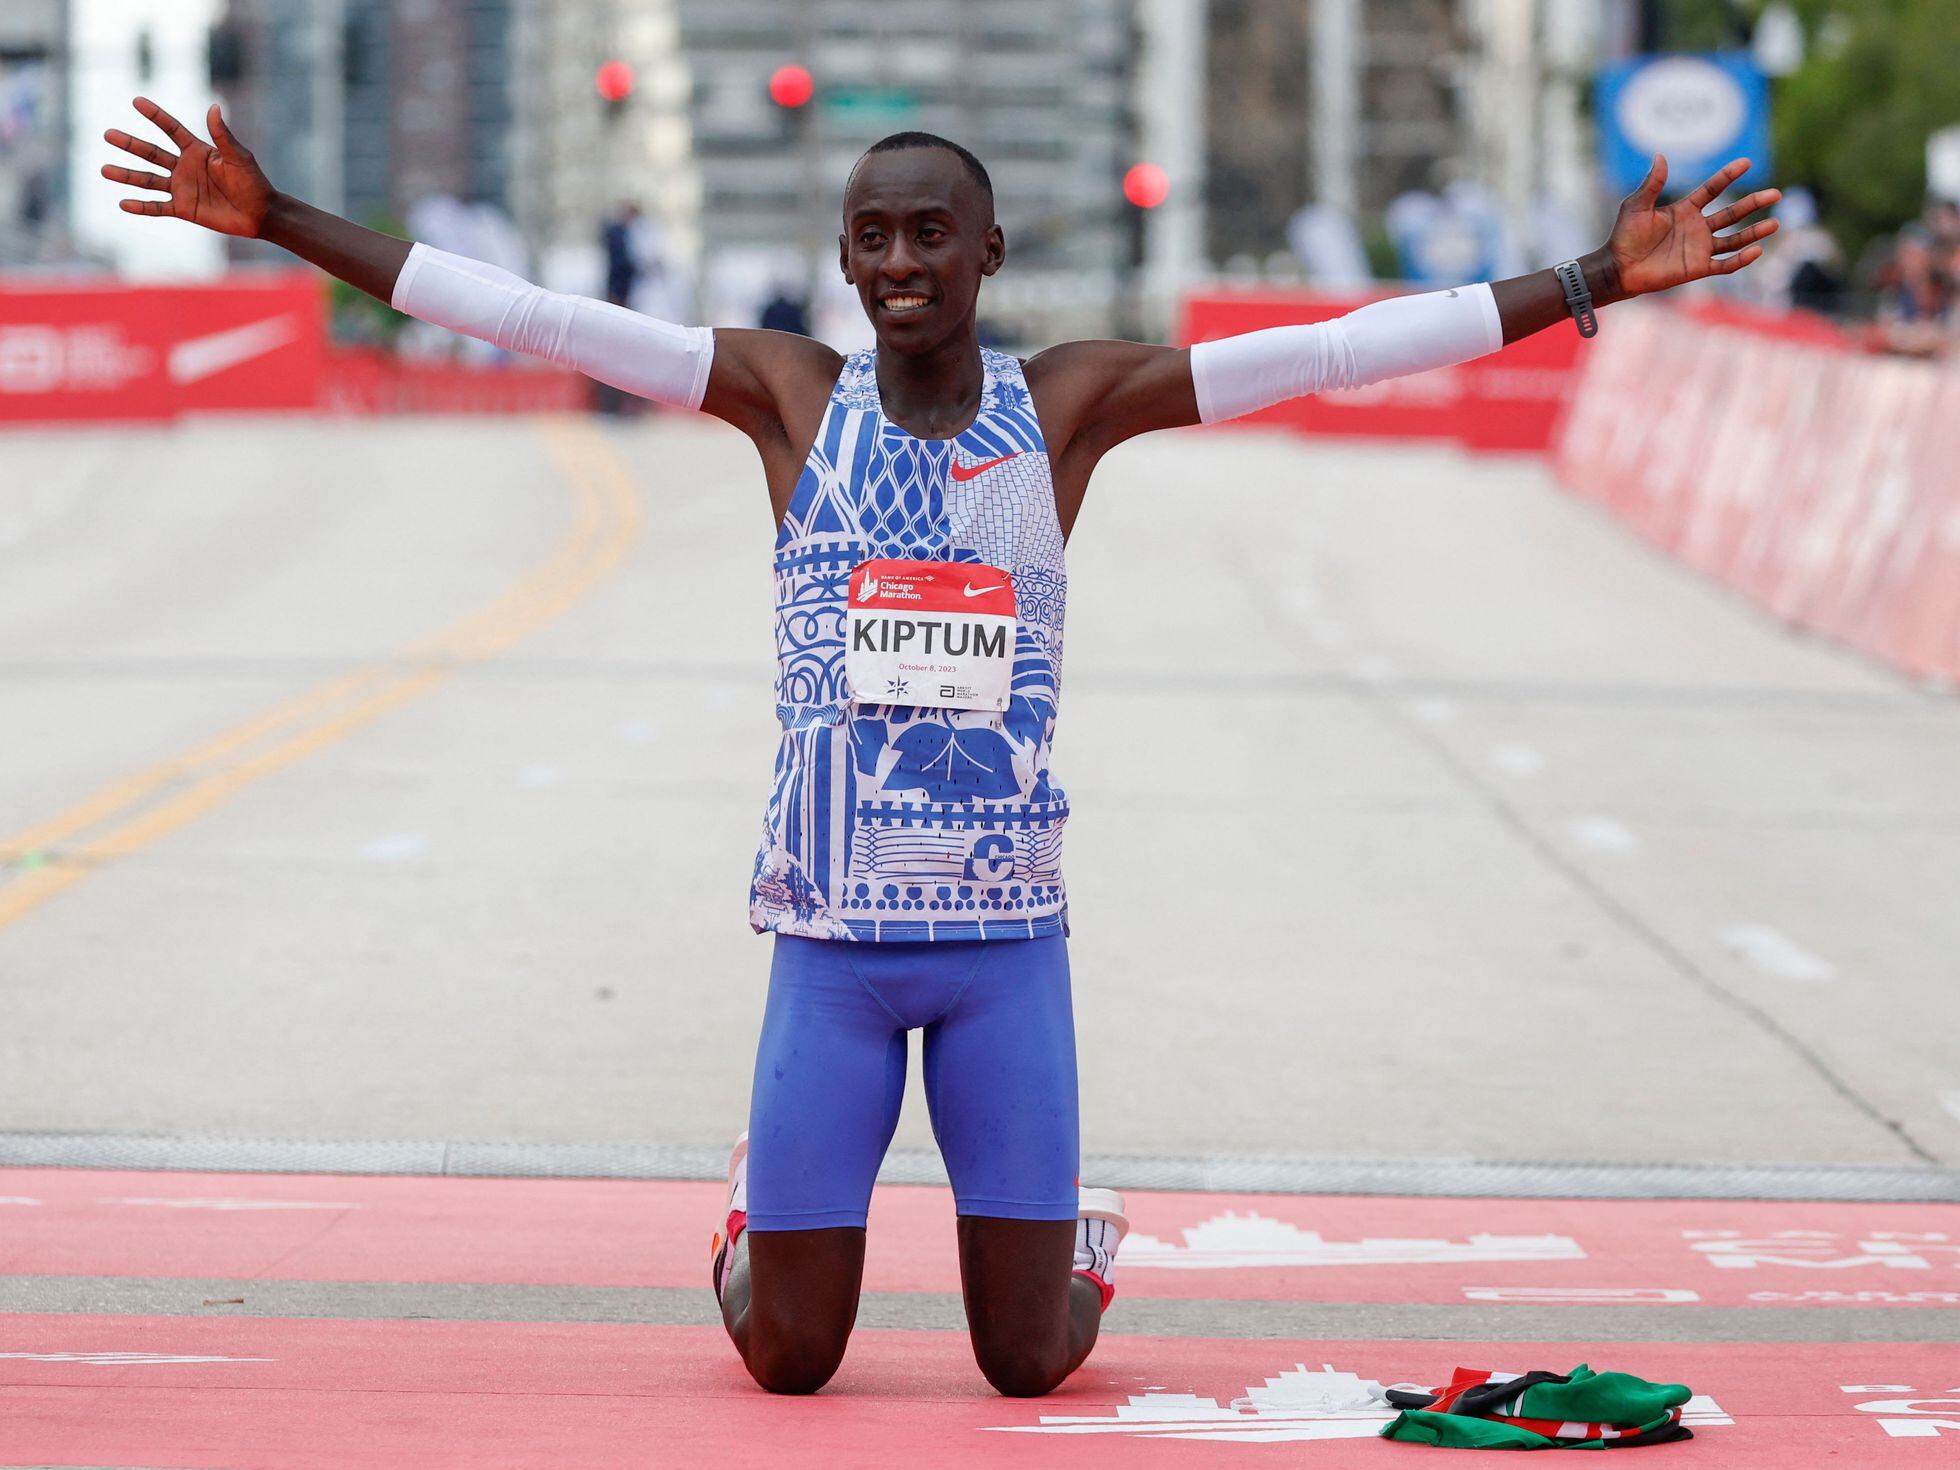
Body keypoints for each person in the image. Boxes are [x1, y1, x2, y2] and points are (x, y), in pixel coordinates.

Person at [103, 97, 1779, 1399]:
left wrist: (1588, 282)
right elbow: (527, 315)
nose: (900, 263)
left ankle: (1082, 1241)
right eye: (872, 238)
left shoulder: (1065, 407)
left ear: (988, 252)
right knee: (790, 1356)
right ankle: (755, 1213)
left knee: (1027, 1359)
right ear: (845, 260)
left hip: (1002, 956)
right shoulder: (779, 396)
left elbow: (1335, 351)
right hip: (830, 952)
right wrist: (277, 227)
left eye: (932, 236)